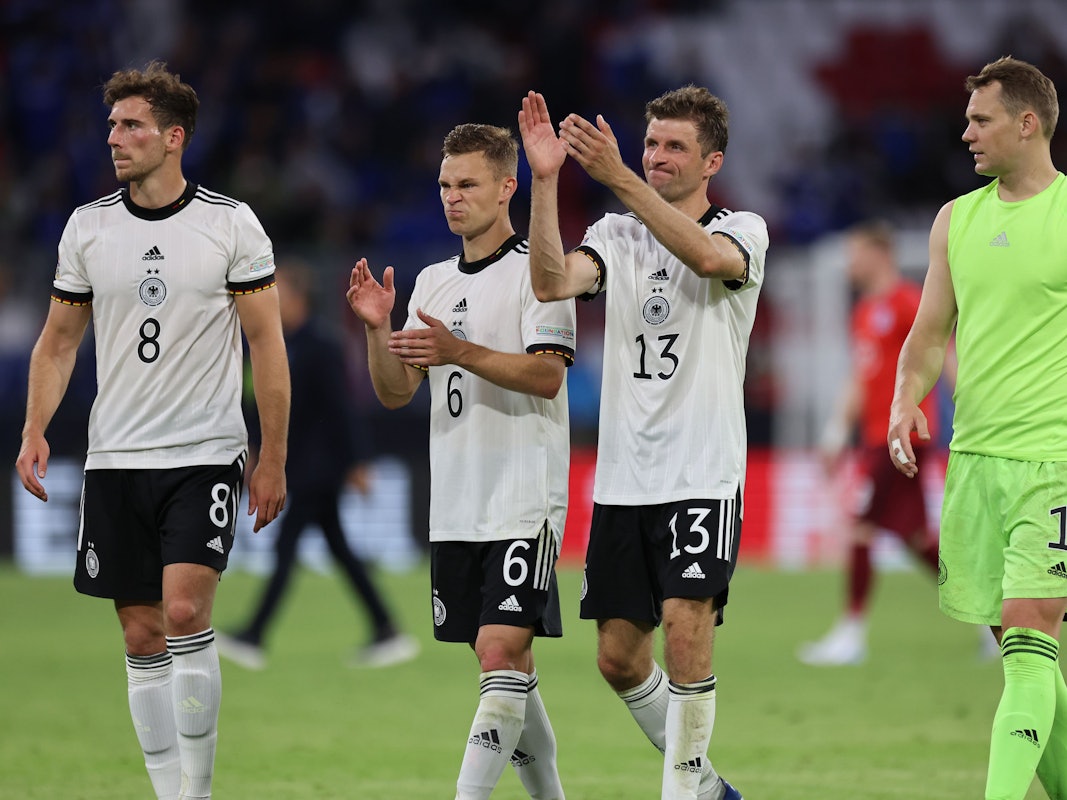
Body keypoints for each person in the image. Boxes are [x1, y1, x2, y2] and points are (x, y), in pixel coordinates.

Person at [15, 61, 290, 800]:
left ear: (173, 138)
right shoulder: (88, 226)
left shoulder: (230, 224)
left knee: (183, 612)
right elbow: (58, 342)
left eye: (131, 125)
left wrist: (271, 457)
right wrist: (35, 426)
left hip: (204, 452)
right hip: (115, 457)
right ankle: (171, 794)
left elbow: (266, 343)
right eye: (112, 124)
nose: (115, 137)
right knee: (140, 635)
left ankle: (196, 793)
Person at [519, 86, 766, 800]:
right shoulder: (613, 235)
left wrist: (620, 175)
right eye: (650, 143)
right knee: (619, 659)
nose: (656, 156)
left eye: (673, 147)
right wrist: (543, 181)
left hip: (701, 472)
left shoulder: (742, 227)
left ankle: (678, 794)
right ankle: (709, 788)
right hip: (624, 479)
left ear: (711, 160)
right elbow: (550, 280)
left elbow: (709, 261)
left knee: (687, 639)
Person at [346, 123, 575, 800]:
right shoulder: (432, 283)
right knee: (508, 666)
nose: (452, 197)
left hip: (522, 494)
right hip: (457, 502)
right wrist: (377, 330)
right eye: (445, 185)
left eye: (467, 184)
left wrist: (460, 352)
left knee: (499, 651)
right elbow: (395, 394)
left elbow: (546, 378)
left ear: (508, 187)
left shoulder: (541, 270)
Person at [888, 56, 1067, 800]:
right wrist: (904, 398)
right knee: (1025, 654)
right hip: (975, 462)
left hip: (1053, 460)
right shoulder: (955, 220)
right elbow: (930, 333)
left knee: (1029, 638)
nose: (965, 133)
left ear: (1026, 124)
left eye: (980, 119)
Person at [217, 260, 418, 670]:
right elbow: (260, 406)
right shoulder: (277, 344)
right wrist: (255, 447)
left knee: (288, 547)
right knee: (338, 550)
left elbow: (343, 408)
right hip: (301, 464)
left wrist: (357, 462)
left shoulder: (321, 345)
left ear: (298, 298)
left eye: (280, 294)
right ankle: (386, 628)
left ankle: (254, 634)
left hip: (319, 466)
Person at [797, 220, 943, 666]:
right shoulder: (863, 311)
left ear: (880, 254)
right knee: (915, 538)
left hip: (902, 434)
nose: (849, 263)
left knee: (860, 526)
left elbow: (939, 355)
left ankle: (851, 633)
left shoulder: (907, 302)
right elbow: (862, 378)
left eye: (856, 252)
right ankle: (989, 613)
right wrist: (836, 433)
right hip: (875, 438)